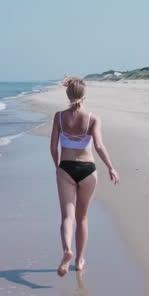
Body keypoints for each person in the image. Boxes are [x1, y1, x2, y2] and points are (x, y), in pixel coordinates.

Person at [49, 76, 119, 276]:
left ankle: (66, 250)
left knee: (67, 217)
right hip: (88, 169)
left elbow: (53, 146)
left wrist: (57, 166)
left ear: (68, 94)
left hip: (66, 168)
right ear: (84, 95)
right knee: (83, 218)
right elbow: (98, 146)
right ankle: (79, 260)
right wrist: (111, 167)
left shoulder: (59, 117)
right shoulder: (93, 118)